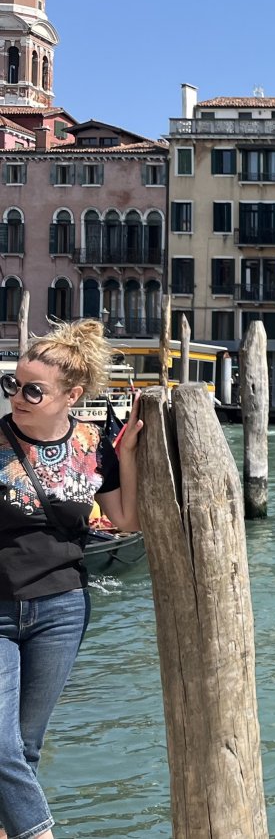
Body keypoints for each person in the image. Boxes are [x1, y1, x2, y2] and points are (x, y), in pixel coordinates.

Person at [0, 319, 140, 839]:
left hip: (62, 610)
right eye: (13, 385)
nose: (18, 396)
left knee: (25, 746)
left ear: (71, 395)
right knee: (0, 747)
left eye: (32, 390)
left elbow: (125, 520)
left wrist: (128, 457)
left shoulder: (93, 444)